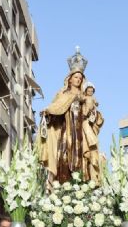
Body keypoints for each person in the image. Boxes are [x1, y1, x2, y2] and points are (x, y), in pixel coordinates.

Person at [36, 48, 101, 184]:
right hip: (66, 133)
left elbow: (94, 118)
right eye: (75, 77)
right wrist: (48, 114)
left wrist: (93, 113)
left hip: (82, 134)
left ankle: (82, 188)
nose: (78, 80)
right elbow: (56, 108)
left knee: (83, 160)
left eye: (80, 78)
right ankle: (63, 187)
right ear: (70, 79)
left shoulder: (86, 97)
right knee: (63, 158)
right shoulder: (63, 94)